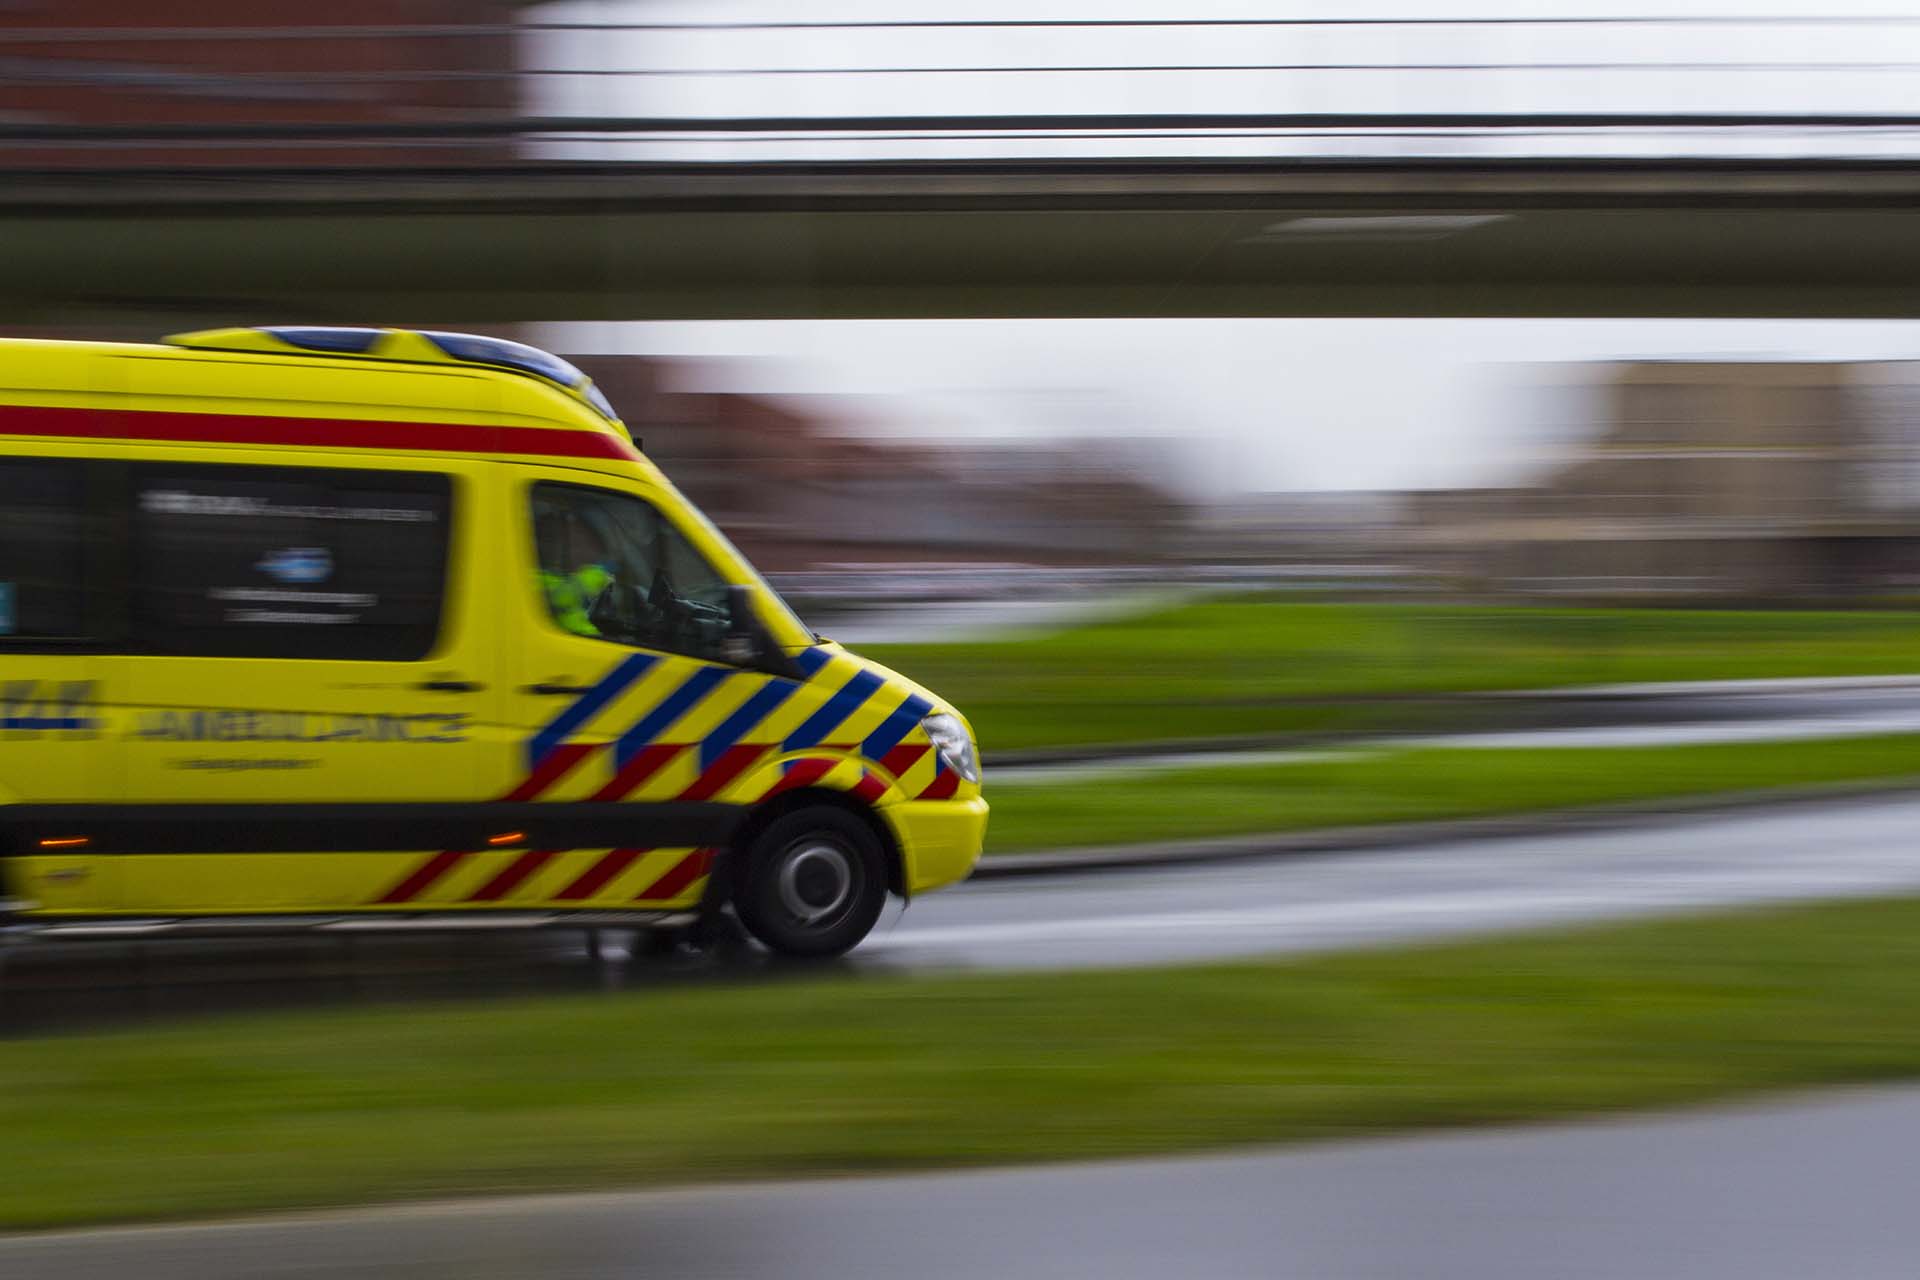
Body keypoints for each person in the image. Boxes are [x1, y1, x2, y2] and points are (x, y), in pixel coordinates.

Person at [537, 507, 616, 638]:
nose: (581, 550)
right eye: (549, 540)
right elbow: (557, 599)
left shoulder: (564, 575)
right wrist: (591, 578)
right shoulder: (533, 577)